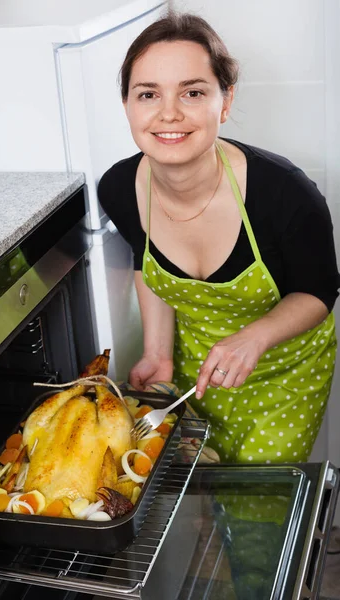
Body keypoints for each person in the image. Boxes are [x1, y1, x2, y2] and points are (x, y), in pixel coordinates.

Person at [97, 11, 339, 464]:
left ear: (225, 102)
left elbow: (320, 291)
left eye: (192, 92)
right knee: (199, 498)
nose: (169, 112)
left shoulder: (285, 193)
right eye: (148, 94)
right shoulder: (118, 189)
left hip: (282, 376)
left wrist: (256, 336)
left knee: (258, 510)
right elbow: (147, 265)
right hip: (194, 372)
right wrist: (157, 353)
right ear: (128, 105)